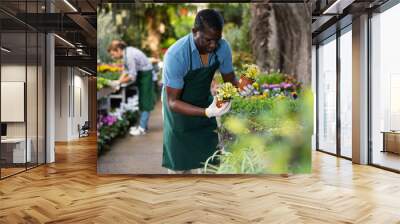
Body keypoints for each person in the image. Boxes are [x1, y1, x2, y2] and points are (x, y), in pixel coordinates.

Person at [162, 9, 253, 174]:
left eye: (217, 40)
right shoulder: (176, 55)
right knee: (180, 167)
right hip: (178, 112)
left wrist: (242, 88)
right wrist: (206, 111)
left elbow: (230, 80)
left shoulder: (222, 48)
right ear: (194, 32)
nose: (213, 45)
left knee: (210, 163)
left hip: (204, 101)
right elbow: (172, 102)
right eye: (208, 40)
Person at [107, 40, 155, 136]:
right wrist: (117, 82)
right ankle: (143, 125)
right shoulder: (126, 53)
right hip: (143, 75)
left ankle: (141, 128)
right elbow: (125, 71)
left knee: (145, 101)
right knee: (142, 100)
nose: (113, 57)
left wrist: (118, 82)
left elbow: (132, 76)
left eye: (113, 54)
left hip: (146, 75)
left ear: (119, 50)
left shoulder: (129, 56)